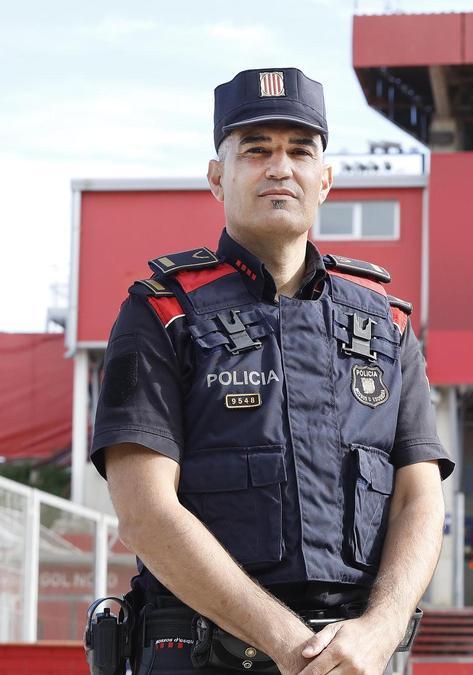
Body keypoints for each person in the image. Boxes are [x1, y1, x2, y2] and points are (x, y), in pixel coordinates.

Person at [89, 67, 454, 675]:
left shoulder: (387, 326)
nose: (279, 167)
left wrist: (379, 632)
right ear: (217, 176)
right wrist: (291, 647)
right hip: (207, 657)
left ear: (325, 179)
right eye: (255, 150)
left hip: (361, 659)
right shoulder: (161, 312)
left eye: (299, 151)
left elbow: (420, 500)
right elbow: (144, 512)